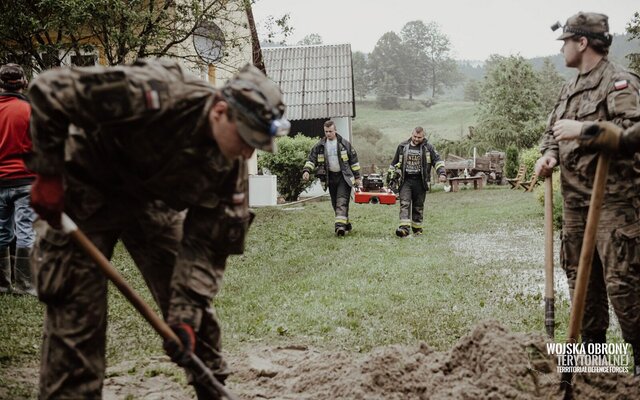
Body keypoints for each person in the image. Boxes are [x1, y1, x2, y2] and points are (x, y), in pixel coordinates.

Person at [26, 60, 288, 399]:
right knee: (75, 326)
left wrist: (183, 316)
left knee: (197, 323)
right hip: (84, 193)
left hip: (151, 203)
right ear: (220, 110)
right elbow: (50, 90)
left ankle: (212, 389)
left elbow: (205, 249)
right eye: (245, 138)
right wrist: (48, 173)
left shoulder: (229, 166)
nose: (247, 151)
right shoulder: (157, 92)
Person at [534, 12, 640, 376]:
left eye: (565, 40)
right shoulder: (570, 88)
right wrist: (548, 154)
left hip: (613, 202)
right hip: (577, 205)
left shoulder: (619, 82)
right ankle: (595, 363)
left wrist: (586, 130)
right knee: (582, 281)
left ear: (582, 43)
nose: (561, 47)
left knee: (624, 283)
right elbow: (553, 130)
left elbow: (633, 132)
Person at [0, 63, 37, 295]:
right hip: (25, 179)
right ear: (23, 82)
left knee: (0, 231)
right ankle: (24, 285)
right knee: (26, 231)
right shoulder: (30, 110)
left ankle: (2, 284)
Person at [302, 120, 361, 236]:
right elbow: (311, 159)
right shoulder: (319, 146)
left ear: (335, 131)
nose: (328, 134)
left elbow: (354, 161)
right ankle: (345, 224)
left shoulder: (345, 144)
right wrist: (306, 170)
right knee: (335, 203)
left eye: (330, 131)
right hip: (329, 178)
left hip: (344, 177)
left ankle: (339, 228)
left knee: (342, 201)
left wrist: (357, 177)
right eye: (326, 131)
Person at [387, 127, 446, 237]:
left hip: (420, 181)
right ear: (412, 134)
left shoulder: (429, 148)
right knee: (404, 203)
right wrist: (390, 179)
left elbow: (438, 161)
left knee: (418, 206)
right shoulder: (402, 146)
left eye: (419, 137)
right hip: (406, 180)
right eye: (414, 136)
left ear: (423, 137)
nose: (416, 139)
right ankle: (404, 229)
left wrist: (441, 173)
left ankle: (417, 229)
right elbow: (394, 163)